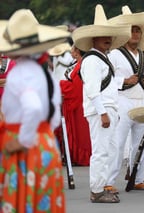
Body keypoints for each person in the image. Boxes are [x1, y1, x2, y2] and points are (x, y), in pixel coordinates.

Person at [0, 9, 69, 212]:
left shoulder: (19, 74)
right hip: (46, 142)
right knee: (43, 199)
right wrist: (41, 133)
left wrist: (23, 139)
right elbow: (54, 115)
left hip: (25, 146)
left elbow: (32, 107)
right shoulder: (45, 74)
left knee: (23, 200)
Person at [71, 4, 131, 203]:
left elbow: (111, 85)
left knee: (111, 151)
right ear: (94, 39)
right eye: (103, 36)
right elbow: (92, 90)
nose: (108, 39)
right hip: (101, 111)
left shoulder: (103, 58)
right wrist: (102, 112)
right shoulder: (92, 60)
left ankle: (103, 185)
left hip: (109, 108)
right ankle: (96, 190)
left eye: (109, 36)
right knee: (101, 151)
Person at [107, 6, 144, 191]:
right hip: (122, 100)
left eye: (138, 31)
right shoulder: (114, 54)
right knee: (117, 143)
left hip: (142, 100)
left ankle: (138, 178)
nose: (135, 34)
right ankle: (109, 181)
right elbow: (107, 79)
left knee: (142, 142)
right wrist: (124, 80)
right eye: (132, 30)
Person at [59, 44, 92, 166]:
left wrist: (61, 85)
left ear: (77, 51)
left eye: (73, 49)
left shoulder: (82, 65)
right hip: (76, 100)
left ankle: (82, 156)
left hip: (78, 102)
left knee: (80, 132)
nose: (71, 52)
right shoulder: (77, 64)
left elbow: (77, 87)